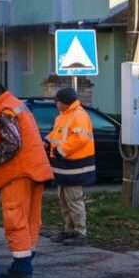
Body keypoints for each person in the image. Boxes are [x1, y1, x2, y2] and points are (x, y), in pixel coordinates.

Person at [0, 82, 52, 278]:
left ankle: (22, 271)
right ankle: (22, 265)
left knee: (15, 218)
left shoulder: (5, 111)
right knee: (30, 219)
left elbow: (11, 144)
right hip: (34, 170)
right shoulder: (16, 105)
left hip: (18, 174)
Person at [45, 87, 96, 247]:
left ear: (65, 102)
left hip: (75, 165)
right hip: (64, 165)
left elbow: (80, 138)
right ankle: (69, 230)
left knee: (73, 200)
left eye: (57, 101)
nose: (56, 103)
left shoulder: (79, 115)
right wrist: (47, 141)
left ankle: (80, 233)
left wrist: (60, 151)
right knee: (64, 200)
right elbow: (57, 134)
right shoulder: (64, 115)